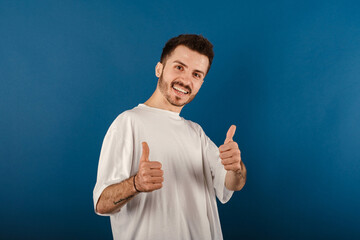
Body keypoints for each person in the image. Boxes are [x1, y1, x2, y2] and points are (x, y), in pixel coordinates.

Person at [93, 34, 247, 240]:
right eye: (179, 67)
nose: (185, 80)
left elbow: (232, 184)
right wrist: (136, 184)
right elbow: (102, 203)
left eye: (196, 74)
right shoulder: (128, 122)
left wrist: (236, 168)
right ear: (159, 69)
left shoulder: (196, 132)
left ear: (201, 82)